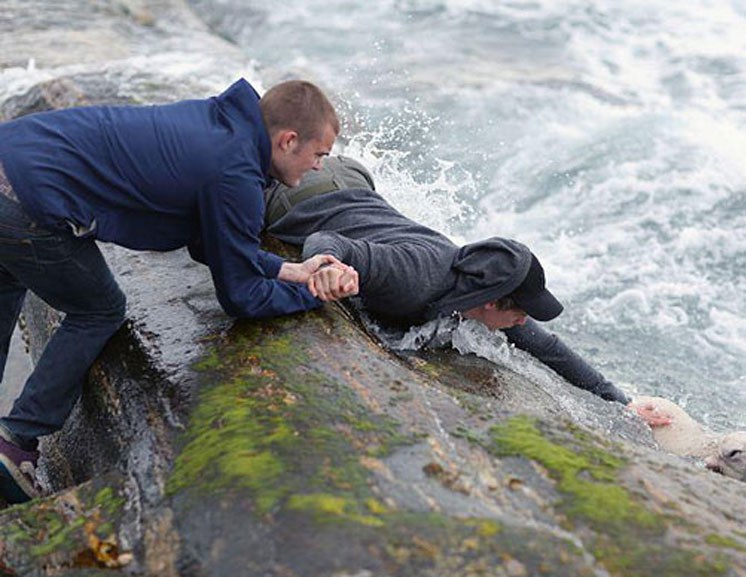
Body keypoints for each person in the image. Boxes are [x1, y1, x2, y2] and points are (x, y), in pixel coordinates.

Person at [0, 78, 358, 504]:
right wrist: (316, 294)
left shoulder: (224, 128)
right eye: (319, 155)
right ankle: (18, 439)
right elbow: (241, 296)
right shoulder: (236, 174)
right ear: (288, 141)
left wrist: (291, 271)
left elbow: (214, 245)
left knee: (9, 282)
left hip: (12, 155)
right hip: (25, 197)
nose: (318, 167)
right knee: (98, 310)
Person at [265, 155, 649, 410]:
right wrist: (326, 267)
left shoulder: (478, 285)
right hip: (298, 194)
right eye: (521, 312)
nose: (523, 321)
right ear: (493, 302)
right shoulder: (414, 276)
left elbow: (549, 349)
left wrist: (622, 403)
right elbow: (327, 240)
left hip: (354, 178)